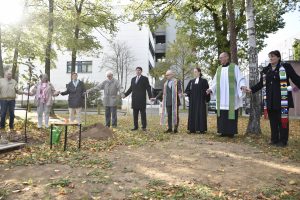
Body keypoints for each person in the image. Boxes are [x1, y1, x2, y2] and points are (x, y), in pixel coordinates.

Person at [249, 50, 300, 147]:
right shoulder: (266, 70)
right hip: (270, 99)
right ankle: (274, 139)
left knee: (283, 120)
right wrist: (251, 89)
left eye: (273, 56)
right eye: (270, 57)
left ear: (278, 57)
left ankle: (283, 141)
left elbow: (295, 78)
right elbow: (261, 84)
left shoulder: (285, 67)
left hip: (282, 99)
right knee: (273, 120)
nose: (271, 58)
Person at [207, 52, 248, 137]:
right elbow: (215, 82)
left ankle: (231, 132)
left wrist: (242, 85)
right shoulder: (219, 69)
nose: (220, 59)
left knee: (231, 114)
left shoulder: (234, 67)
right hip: (221, 97)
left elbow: (240, 78)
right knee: (222, 114)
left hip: (231, 97)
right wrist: (211, 89)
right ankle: (222, 131)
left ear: (227, 57)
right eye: (219, 58)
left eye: (221, 57)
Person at [123, 67, 152, 131]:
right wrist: (125, 95)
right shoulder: (133, 79)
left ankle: (144, 127)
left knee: (143, 114)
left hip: (142, 99)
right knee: (135, 114)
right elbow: (131, 89)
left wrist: (150, 97)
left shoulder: (145, 79)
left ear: (141, 71)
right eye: (137, 70)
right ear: (135, 71)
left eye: (139, 70)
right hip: (135, 99)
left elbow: (148, 88)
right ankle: (135, 126)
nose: (138, 71)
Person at [185, 67, 210, 134]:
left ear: (199, 72)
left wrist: (206, 98)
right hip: (193, 101)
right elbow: (187, 90)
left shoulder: (204, 81)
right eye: (194, 72)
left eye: (195, 71)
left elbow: (207, 90)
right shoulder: (191, 81)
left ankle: (202, 129)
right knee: (192, 114)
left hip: (200, 101)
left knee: (201, 114)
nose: (194, 73)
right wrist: (187, 95)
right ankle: (192, 129)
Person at [0, 71, 25, 136]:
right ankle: (2, 127)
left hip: (12, 100)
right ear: (5, 74)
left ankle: (11, 127)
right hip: (3, 100)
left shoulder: (14, 81)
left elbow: (17, 90)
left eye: (10, 74)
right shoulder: (1, 81)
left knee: (12, 114)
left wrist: (25, 92)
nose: (10, 75)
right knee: (3, 114)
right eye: (8, 74)